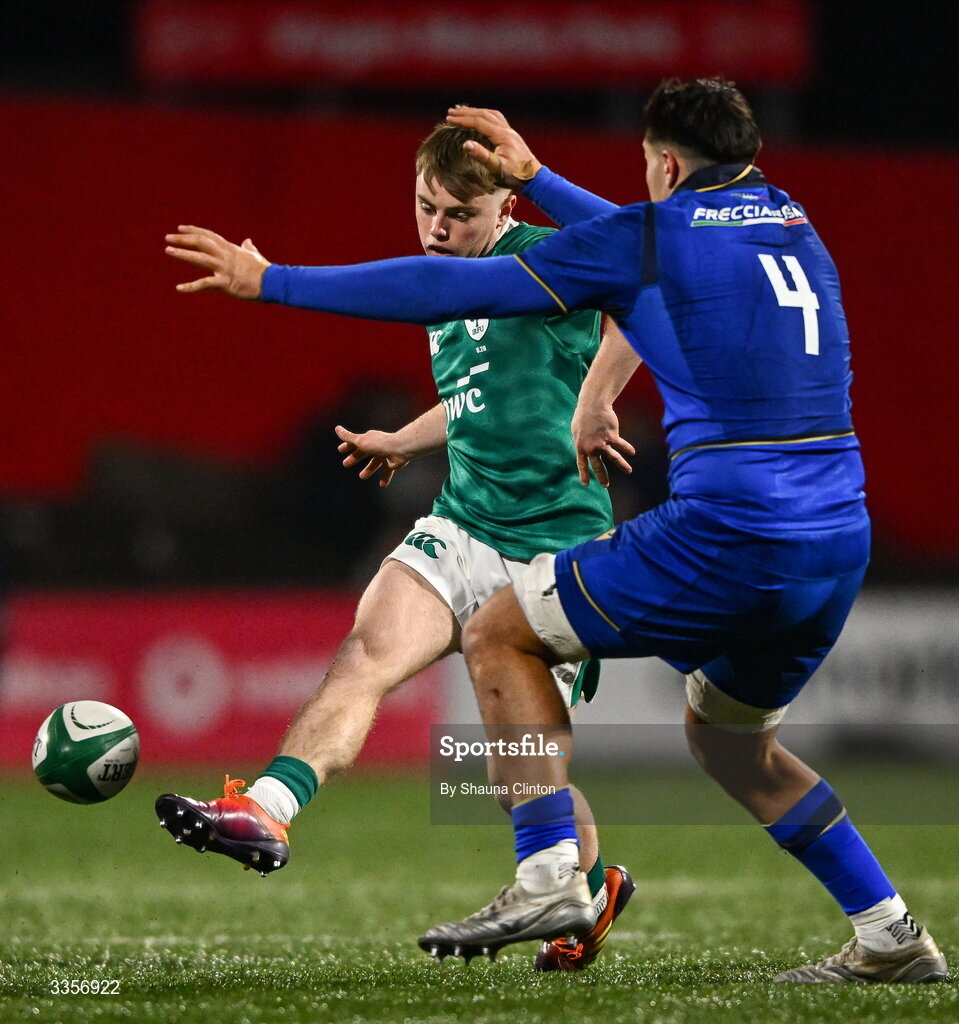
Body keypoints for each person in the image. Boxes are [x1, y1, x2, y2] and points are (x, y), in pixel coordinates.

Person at [162, 79, 948, 985]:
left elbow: (454, 283)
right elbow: (648, 244)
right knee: (732, 743)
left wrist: (274, 281)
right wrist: (538, 173)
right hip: (836, 536)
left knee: (498, 631)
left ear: (659, 163)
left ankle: (549, 877)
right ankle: (889, 931)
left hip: (727, 526)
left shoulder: (635, 240)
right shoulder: (792, 224)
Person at [156, 120, 637, 972]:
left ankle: (588, 889)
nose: (437, 227)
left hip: (553, 543)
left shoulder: (554, 258)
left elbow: (653, 296)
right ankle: (266, 806)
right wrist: (404, 441)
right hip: (462, 519)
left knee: (516, 776)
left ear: (506, 203)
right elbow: (482, 397)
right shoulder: (449, 278)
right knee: (365, 653)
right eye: (425, 207)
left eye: (459, 211)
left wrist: (599, 396)